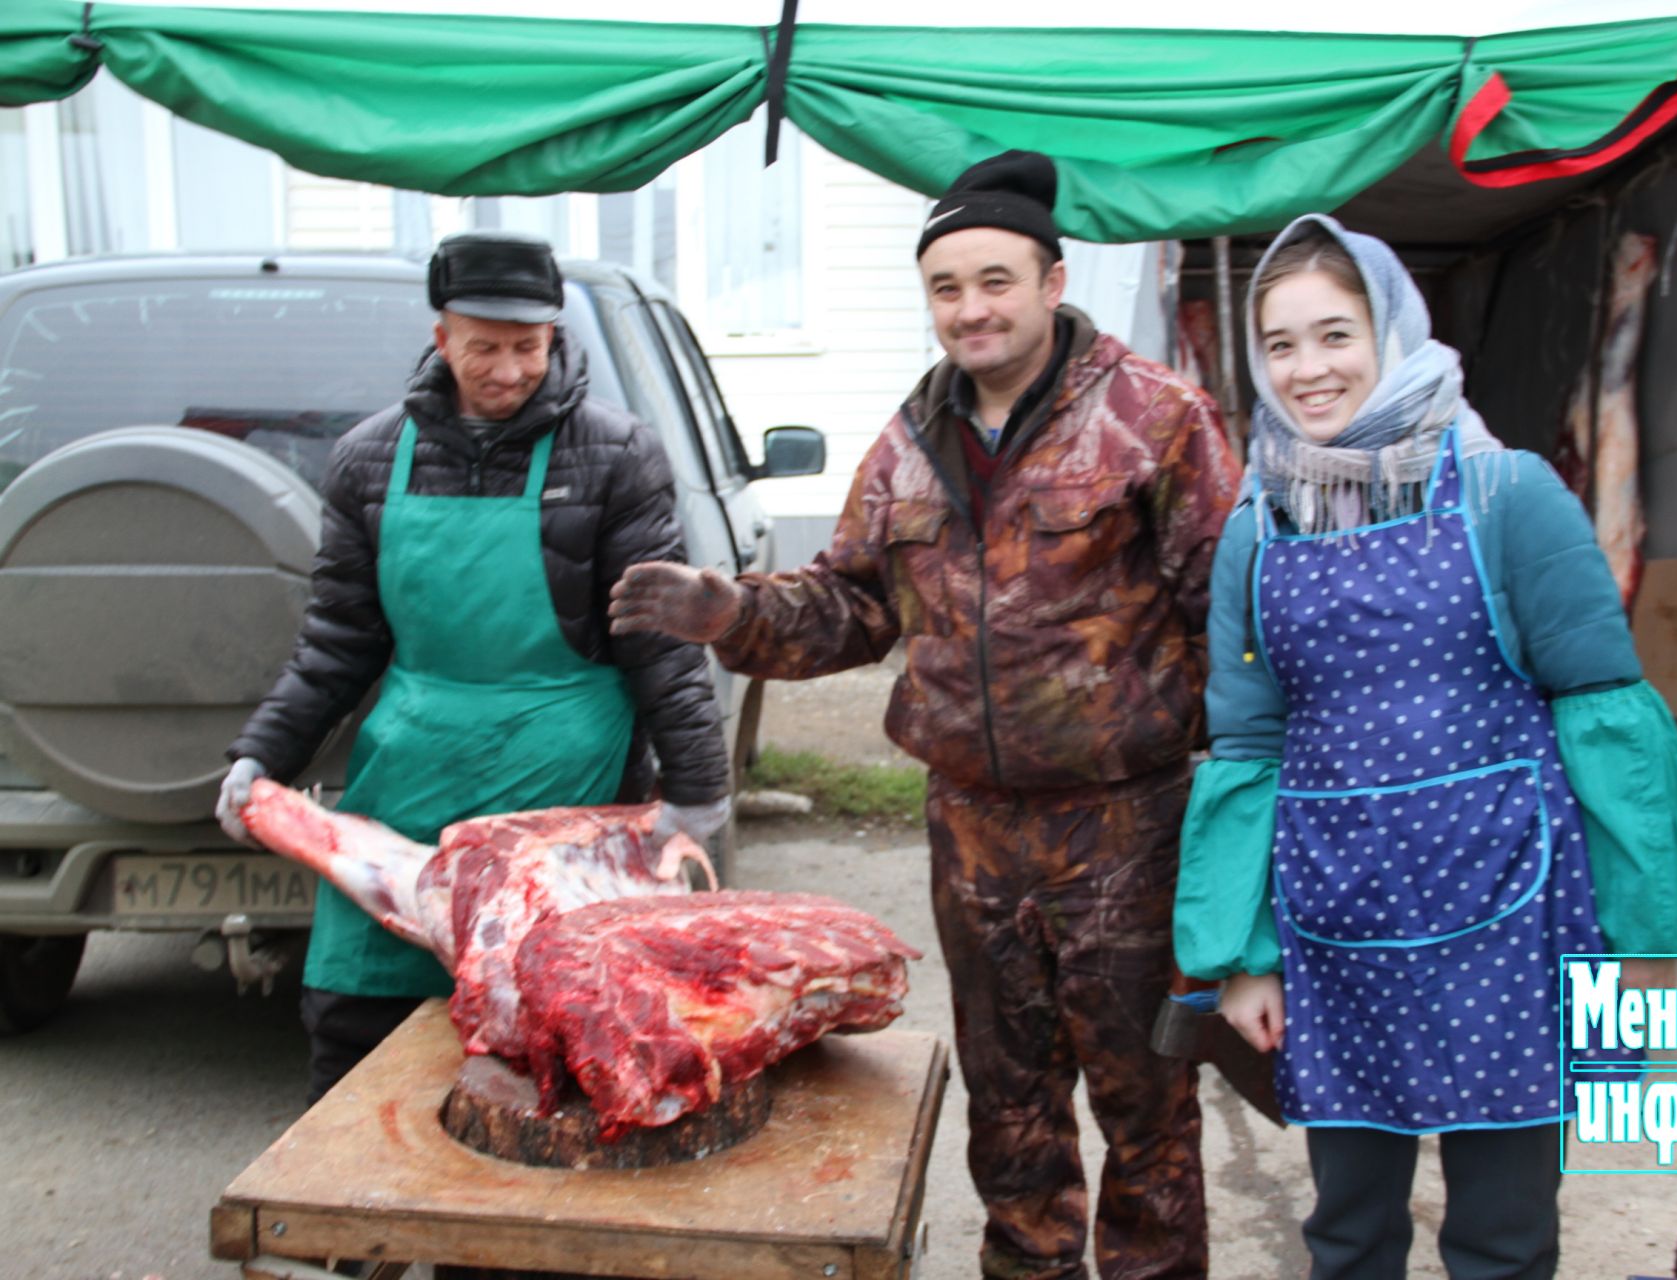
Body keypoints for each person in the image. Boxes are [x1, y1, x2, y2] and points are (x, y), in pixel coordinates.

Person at [608, 151, 1239, 1280]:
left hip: (1126, 829)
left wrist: (1247, 813)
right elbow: (851, 607)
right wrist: (727, 610)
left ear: (1052, 282)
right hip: (970, 830)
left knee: (1147, 1112)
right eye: (947, 288)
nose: (971, 309)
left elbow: (1233, 616)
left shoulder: (1159, 421)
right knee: (1007, 1110)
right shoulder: (909, 439)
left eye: (995, 281)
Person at [1174, 214, 1677, 1279]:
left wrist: (1652, 937)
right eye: (1280, 344)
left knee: (1501, 1235)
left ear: (1393, 330)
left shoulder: (1509, 493)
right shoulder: (1258, 524)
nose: (1307, 369)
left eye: (1335, 334)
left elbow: (1605, 711)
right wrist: (1244, 958)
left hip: (1506, 913)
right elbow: (1247, 745)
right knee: (1348, 1230)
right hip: (1338, 927)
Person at [215, 230, 731, 1106]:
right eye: (484, 346)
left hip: (566, 779)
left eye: (527, 347)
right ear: (441, 336)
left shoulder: (615, 455)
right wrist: (262, 758)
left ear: (555, 337)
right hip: (413, 770)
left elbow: (658, 643)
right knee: (356, 1019)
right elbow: (339, 641)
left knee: (545, 1027)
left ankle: (505, 1241)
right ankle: (352, 1217)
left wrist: (696, 787)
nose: (507, 369)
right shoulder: (370, 458)